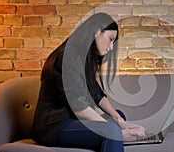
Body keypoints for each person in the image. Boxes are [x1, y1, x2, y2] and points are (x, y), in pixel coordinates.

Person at [31, 12, 147, 152]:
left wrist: (120, 121)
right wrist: (115, 130)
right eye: (110, 39)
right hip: (53, 127)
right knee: (111, 130)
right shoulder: (67, 58)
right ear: (97, 31)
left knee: (119, 115)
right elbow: (79, 107)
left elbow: (96, 93)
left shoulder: (83, 57)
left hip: (73, 120)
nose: (111, 47)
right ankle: (115, 137)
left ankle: (115, 135)